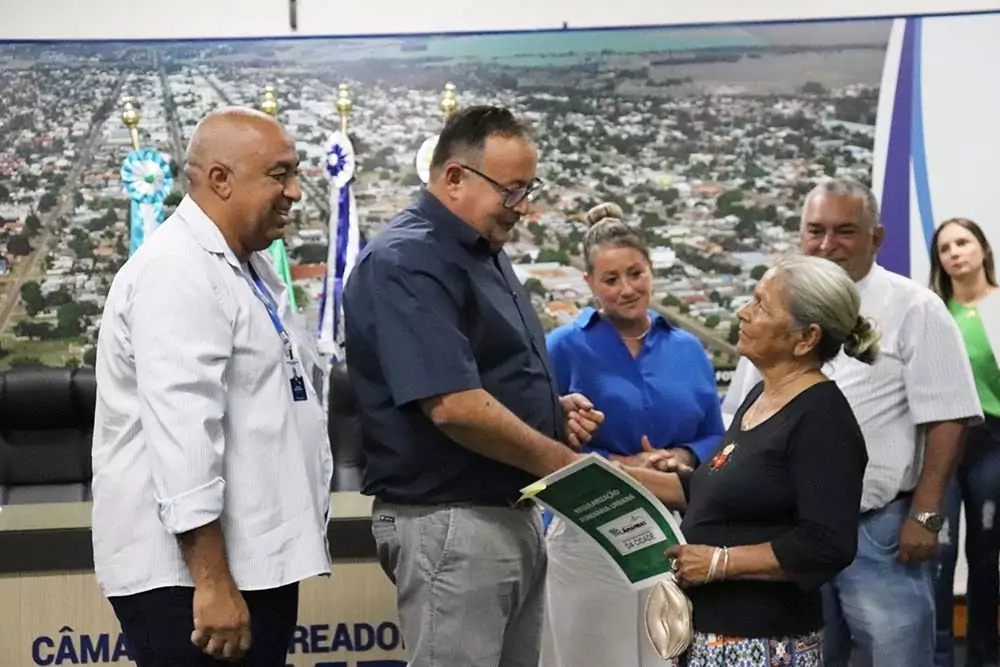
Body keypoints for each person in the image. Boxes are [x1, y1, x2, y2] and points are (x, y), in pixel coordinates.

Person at [342, 104, 604, 667]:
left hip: (506, 512)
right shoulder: (408, 260)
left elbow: (478, 377)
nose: (524, 207)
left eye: (529, 189)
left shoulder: (482, 250)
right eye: (511, 191)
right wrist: (565, 466)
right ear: (454, 177)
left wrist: (548, 412)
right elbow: (455, 407)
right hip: (454, 523)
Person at [91, 108, 333, 666]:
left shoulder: (242, 266)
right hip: (192, 587)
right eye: (280, 175)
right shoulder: (177, 272)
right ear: (220, 179)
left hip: (246, 565)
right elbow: (185, 437)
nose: (295, 192)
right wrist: (212, 581)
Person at [723, 178, 982, 667]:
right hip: (788, 535)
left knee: (896, 657)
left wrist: (925, 517)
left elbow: (948, 416)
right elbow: (739, 417)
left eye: (845, 231)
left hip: (877, 531)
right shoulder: (772, 314)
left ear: (876, 237)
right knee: (809, 655)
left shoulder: (915, 308)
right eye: (815, 230)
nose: (827, 244)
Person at [616, 254, 872, 665]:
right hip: (711, 632)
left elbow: (828, 543)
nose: (743, 311)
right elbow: (709, 486)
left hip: (761, 641)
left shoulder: (823, 419)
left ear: (805, 338)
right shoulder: (761, 396)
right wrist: (620, 477)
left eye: (760, 305)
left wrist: (720, 562)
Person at [540, 202, 725, 667]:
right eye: (611, 279)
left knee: (662, 653)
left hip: (670, 533)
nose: (627, 289)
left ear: (650, 269)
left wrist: (679, 455)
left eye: (636, 273)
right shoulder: (563, 348)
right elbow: (540, 439)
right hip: (587, 533)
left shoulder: (688, 348)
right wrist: (622, 466)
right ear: (588, 284)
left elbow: (716, 438)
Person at [929, 218, 1000, 667]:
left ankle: (982, 655)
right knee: (940, 551)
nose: (955, 252)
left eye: (963, 242)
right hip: (941, 443)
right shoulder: (935, 313)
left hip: (991, 442)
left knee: (985, 552)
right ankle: (935, 657)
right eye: (945, 247)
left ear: (982, 249)